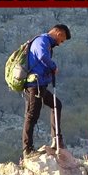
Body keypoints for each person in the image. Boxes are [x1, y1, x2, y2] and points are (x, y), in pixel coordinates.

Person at [22, 24, 70, 159]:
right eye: (61, 39)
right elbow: (42, 56)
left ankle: (56, 139)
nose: (60, 43)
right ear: (57, 32)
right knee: (32, 116)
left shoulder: (45, 42)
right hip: (34, 85)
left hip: (40, 85)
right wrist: (53, 66)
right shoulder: (41, 41)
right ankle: (28, 150)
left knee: (56, 104)